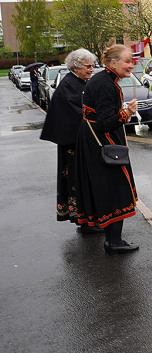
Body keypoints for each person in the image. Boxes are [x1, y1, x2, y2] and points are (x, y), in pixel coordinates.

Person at [74, 45, 139, 254]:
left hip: (98, 141)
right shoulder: (105, 85)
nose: (131, 65)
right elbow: (103, 123)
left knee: (110, 189)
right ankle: (113, 242)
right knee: (114, 189)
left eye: (131, 61)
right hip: (101, 143)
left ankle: (114, 239)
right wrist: (126, 113)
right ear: (113, 63)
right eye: (127, 61)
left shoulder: (106, 80)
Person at [40, 48, 99, 232]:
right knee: (77, 182)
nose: (91, 69)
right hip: (74, 146)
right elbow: (78, 115)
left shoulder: (78, 82)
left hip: (78, 144)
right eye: (88, 66)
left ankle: (87, 219)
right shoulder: (69, 85)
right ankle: (85, 222)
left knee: (83, 182)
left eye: (92, 66)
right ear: (76, 66)